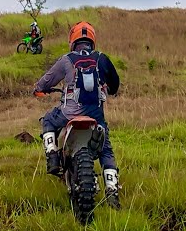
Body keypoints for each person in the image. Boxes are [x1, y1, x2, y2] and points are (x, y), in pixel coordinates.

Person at [33, 21, 122, 206]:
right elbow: (115, 84)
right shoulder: (102, 58)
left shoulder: (67, 59)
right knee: (105, 149)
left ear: (72, 40)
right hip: (96, 117)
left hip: (68, 114)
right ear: (92, 40)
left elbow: (47, 80)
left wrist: (39, 89)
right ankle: (112, 190)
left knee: (48, 119)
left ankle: (52, 157)